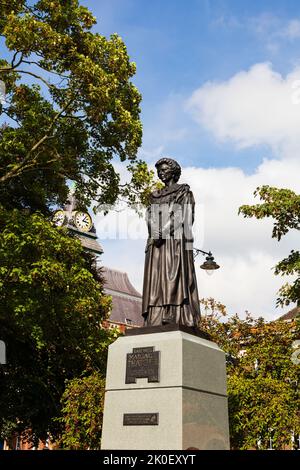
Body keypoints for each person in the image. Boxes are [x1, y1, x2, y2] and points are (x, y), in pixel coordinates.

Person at [142, 158, 201, 327]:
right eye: (159, 170)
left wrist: (163, 231)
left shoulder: (183, 192)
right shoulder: (155, 196)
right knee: (155, 279)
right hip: (156, 243)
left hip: (174, 241)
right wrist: (155, 233)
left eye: (164, 169)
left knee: (172, 276)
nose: (161, 173)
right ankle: (155, 317)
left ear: (173, 171)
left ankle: (173, 314)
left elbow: (183, 214)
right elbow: (150, 215)